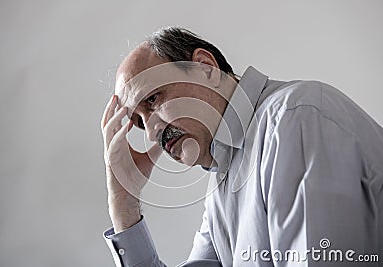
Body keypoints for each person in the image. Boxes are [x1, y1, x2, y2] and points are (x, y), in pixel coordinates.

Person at [100, 27, 383, 266]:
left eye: (153, 100)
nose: (151, 133)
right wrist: (124, 203)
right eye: (138, 122)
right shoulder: (223, 183)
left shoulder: (293, 119)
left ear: (206, 68)